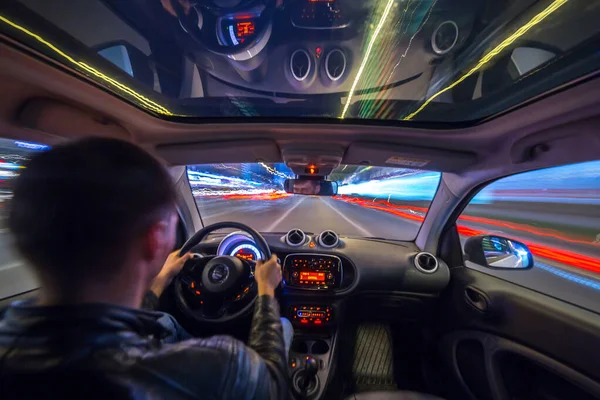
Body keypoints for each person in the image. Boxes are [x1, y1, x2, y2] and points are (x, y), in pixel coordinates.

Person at [0, 138, 291, 399]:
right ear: (154, 240)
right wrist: (266, 290)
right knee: (286, 327)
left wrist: (163, 277)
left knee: (164, 320)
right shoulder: (220, 366)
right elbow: (271, 384)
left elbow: (120, 322)